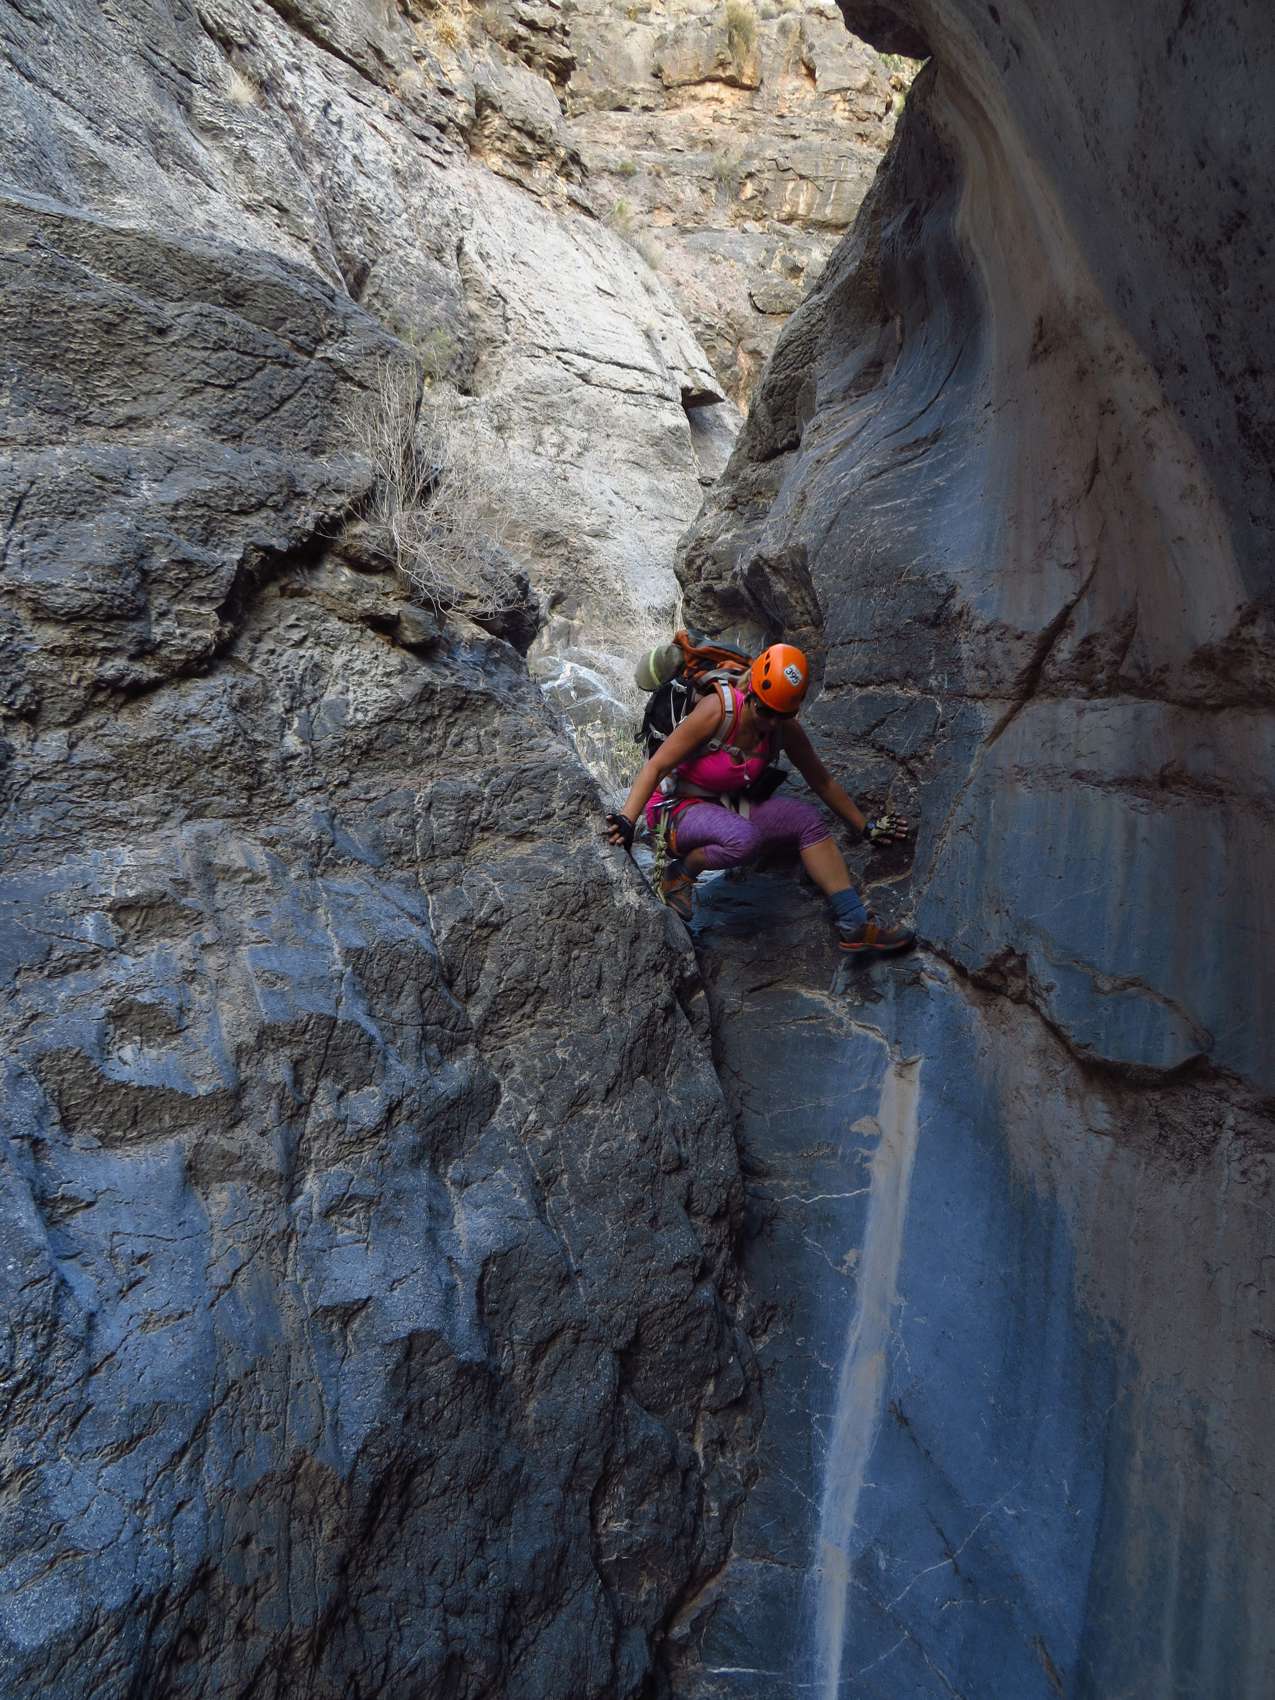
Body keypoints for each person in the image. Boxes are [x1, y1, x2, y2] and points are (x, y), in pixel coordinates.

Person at [605, 643, 916, 958]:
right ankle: (681, 873)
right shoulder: (718, 710)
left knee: (807, 821)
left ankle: (855, 923)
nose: (771, 723)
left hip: (723, 805)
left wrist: (866, 827)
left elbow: (822, 782)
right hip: (673, 809)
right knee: (744, 839)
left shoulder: (783, 728)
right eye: (765, 712)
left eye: (783, 715)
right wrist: (627, 820)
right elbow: (656, 766)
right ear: (751, 693)